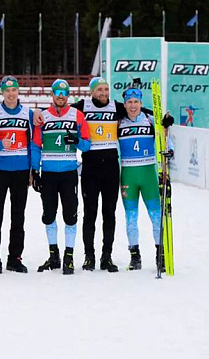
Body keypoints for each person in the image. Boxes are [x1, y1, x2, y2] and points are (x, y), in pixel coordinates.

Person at [70, 76, 160, 272]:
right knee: (90, 214)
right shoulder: (82, 106)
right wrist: (36, 112)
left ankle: (106, 257)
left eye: (106, 89)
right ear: (92, 91)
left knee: (109, 214)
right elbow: (62, 111)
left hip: (111, 169)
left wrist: (161, 118)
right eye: (99, 90)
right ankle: (89, 256)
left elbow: (135, 109)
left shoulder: (116, 106)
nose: (103, 93)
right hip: (90, 169)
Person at [31, 79, 91, 275]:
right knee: (48, 215)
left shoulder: (77, 115)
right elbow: (36, 145)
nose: (60, 96)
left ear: (68, 96)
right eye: (57, 93)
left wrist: (77, 141)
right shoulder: (43, 117)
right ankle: (53, 254)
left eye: (64, 93)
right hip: (48, 174)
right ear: (52, 95)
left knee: (70, 215)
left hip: (68, 173)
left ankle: (69, 256)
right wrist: (34, 171)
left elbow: (87, 145)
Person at [0, 75, 38, 274]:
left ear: (18, 91)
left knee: (18, 216)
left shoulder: (27, 113)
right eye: (7, 91)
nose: (11, 94)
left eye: (14, 90)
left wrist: (32, 170)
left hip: (21, 171)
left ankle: (14, 258)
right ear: (2, 93)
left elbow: (32, 144)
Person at [118, 88, 164, 271]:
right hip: (128, 174)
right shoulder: (118, 123)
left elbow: (165, 138)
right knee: (131, 218)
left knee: (155, 216)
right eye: (129, 102)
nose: (133, 105)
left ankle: (160, 253)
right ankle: (135, 256)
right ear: (125, 105)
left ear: (141, 103)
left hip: (148, 174)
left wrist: (169, 149)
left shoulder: (150, 120)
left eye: (136, 102)